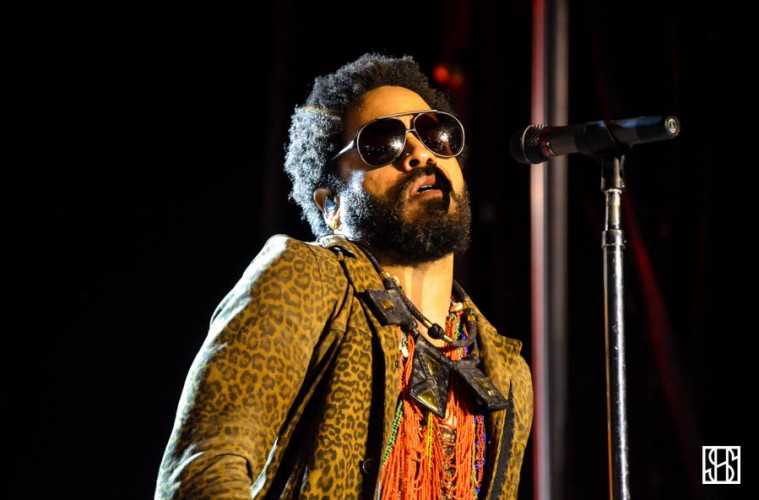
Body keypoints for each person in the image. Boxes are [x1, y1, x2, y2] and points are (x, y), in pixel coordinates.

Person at [155, 52, 533, 499]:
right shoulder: (304, 281)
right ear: (331, 205)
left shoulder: (506, 370)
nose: (419, 153)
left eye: (436, 135)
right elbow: (201, 474)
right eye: (381, 144)